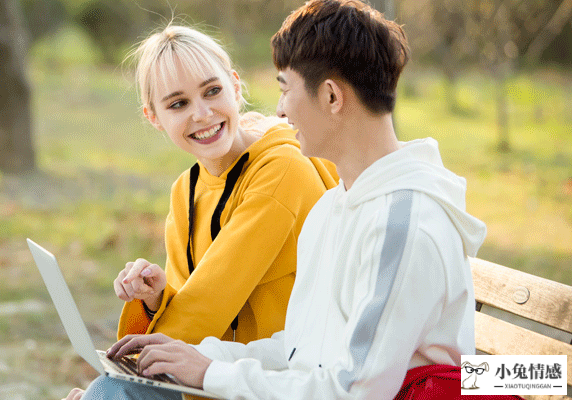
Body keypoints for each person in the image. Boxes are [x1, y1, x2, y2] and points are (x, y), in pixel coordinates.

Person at [70, 0, 523, 399]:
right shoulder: (335, 207)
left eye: (286, 88)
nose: (279, 111)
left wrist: (212, 373)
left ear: (329, 96)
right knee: (118, 393)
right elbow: (300, 349)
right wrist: (196, 357)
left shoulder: (402, 225)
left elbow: (353, 391)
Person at [63, 19, 338, 400]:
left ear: (235, 85)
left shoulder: (280, 171)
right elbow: (192, 304)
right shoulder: (185, 190)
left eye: (212, 91)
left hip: (277, 374)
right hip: (217, 372)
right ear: (153, 117)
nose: (202, 114)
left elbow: (210, 303)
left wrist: (124, 376)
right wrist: (157, 297)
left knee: (112, 391)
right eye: (178, 103)